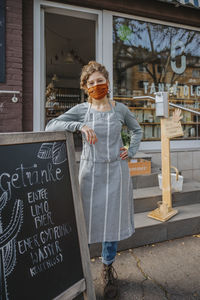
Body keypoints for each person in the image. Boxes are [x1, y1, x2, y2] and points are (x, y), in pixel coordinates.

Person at [45, 61, 143, 300]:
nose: (97, 85)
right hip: (90, 174)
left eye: (100, 80)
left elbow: (136, 130)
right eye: (91, 82)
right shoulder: (82, 110)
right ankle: (80, 275)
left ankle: (107, 270)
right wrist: (79, 126)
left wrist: (130, 150)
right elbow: (51, 125)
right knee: (85, 224)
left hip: (117, 172)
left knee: (111, 224)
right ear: (85, 87)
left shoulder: (120, 109)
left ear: (107, 82)